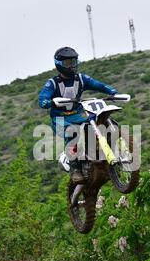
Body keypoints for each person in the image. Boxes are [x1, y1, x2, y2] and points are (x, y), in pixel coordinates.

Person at [39, 47, 118, 183]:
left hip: (78, 114)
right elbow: (43, 97)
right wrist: (47, 101)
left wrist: (112, 91)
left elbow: (97, 84)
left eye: (74, 62)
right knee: (72, 133)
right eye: (68, 63)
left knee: (96, 124)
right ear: (59, 64)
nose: (72, 66)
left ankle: (101, 153)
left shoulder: (81, 79)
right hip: (60, 118)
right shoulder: (52, 83)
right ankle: (74, 168)